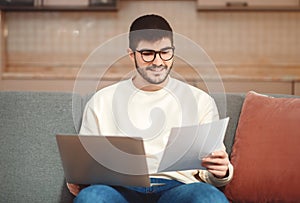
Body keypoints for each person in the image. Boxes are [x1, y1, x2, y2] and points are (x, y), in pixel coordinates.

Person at [68, 14, 233, 203]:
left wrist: (222, 172)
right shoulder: (102, 101)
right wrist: (81, 178)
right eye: (147, 54)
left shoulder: (201, 101)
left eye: (165, 52)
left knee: (209, 198)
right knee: (91, 197)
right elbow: (85, 163)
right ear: (132, 55)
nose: (158, 62)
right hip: (119, 189)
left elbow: (212, 172)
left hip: (178, 188)